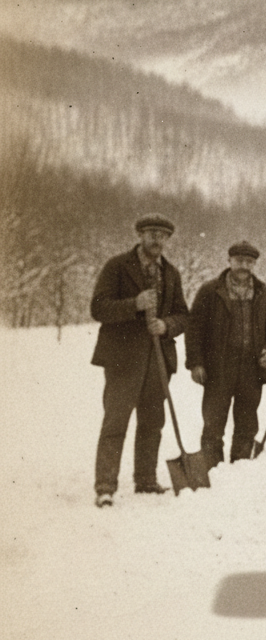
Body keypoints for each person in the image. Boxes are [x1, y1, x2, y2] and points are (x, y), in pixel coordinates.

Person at [89, 213, 190, 507]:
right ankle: (106, 486)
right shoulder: (117, 267)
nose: (157, 239)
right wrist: (135, 305)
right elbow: (98, 307)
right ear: (140, 236)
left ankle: (145, 480)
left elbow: (184, 315)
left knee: (152, 422)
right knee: (116, 421)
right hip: (123, 359)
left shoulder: (171, 274)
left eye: (163, 235)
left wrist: (167, 325)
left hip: (157, 359)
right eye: (151, 233)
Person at [184, 241, 266, 466]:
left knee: (247, 422)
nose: (244, 266)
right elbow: (194, 327)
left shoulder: (262, 291)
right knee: (213, 421)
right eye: (239, 261)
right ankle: (212, 467)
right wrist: (196, 362)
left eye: (249, 262)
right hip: (218, 367)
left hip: (251, 366)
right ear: (229, 261)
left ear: (254, 264)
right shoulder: (210, 290)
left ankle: (240, 468)